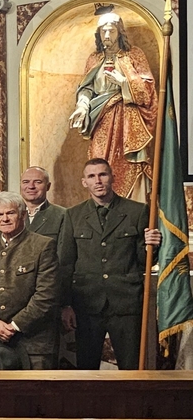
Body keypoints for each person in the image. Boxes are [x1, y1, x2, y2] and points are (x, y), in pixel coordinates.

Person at [64, 158, 159, 369]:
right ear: (84, 182)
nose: (98, 181)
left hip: (126, 303)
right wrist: (66, 304)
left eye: (102, 175)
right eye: (91, 176)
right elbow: (66, 264)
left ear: (113, 178)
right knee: (86, 368)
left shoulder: (137, 212)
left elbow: (145, 261)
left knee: (132, 367)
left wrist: (153, 246)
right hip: (87, 303)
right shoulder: (72, 215)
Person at [68, 10, 158, 202]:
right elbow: (86, 87)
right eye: (103, 32)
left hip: (128, 119)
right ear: (98, 35)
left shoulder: (133, 54)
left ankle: (134, 205)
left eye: (112, 31)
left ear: (120, 32)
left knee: (129, 161)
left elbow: (147, 89)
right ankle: (103, 206)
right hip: (101, 119)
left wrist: (124, 81)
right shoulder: (94, 59)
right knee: (100, 163)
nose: (107, 36)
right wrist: (83, 106)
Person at [0, 192, 60, 370]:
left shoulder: (43, 245)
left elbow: (46, 295)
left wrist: (14, 326)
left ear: (23, 214)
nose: (4, 219)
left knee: (36, 396)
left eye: (10, 213)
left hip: (34, 342)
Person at [21, 166, 74, 308]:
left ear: (48, 186)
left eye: (37, 182)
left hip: (45, 294)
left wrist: (65, 304)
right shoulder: (9, 214)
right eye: (26, 182)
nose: (31, 186)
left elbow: (64, 261)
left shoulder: (62, 215)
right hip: (15, 293)